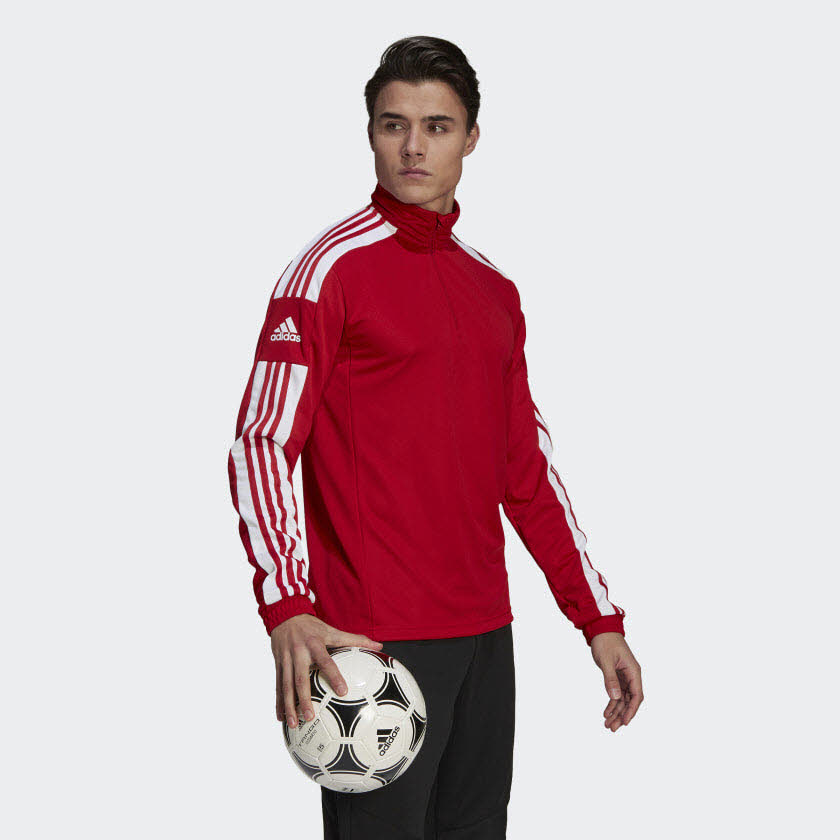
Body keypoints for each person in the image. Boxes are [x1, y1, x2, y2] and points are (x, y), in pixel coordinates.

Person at [227, 35, 643, 839]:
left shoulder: (494, 289)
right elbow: (261, 441)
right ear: (371, 133)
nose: (414, 146)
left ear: (472, 137)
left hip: (485, 633)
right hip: (370, 641)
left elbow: (525, 471)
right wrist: (286, 603)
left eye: (437, 126)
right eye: (395, 124)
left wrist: (598, 619)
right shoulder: (326, 271)